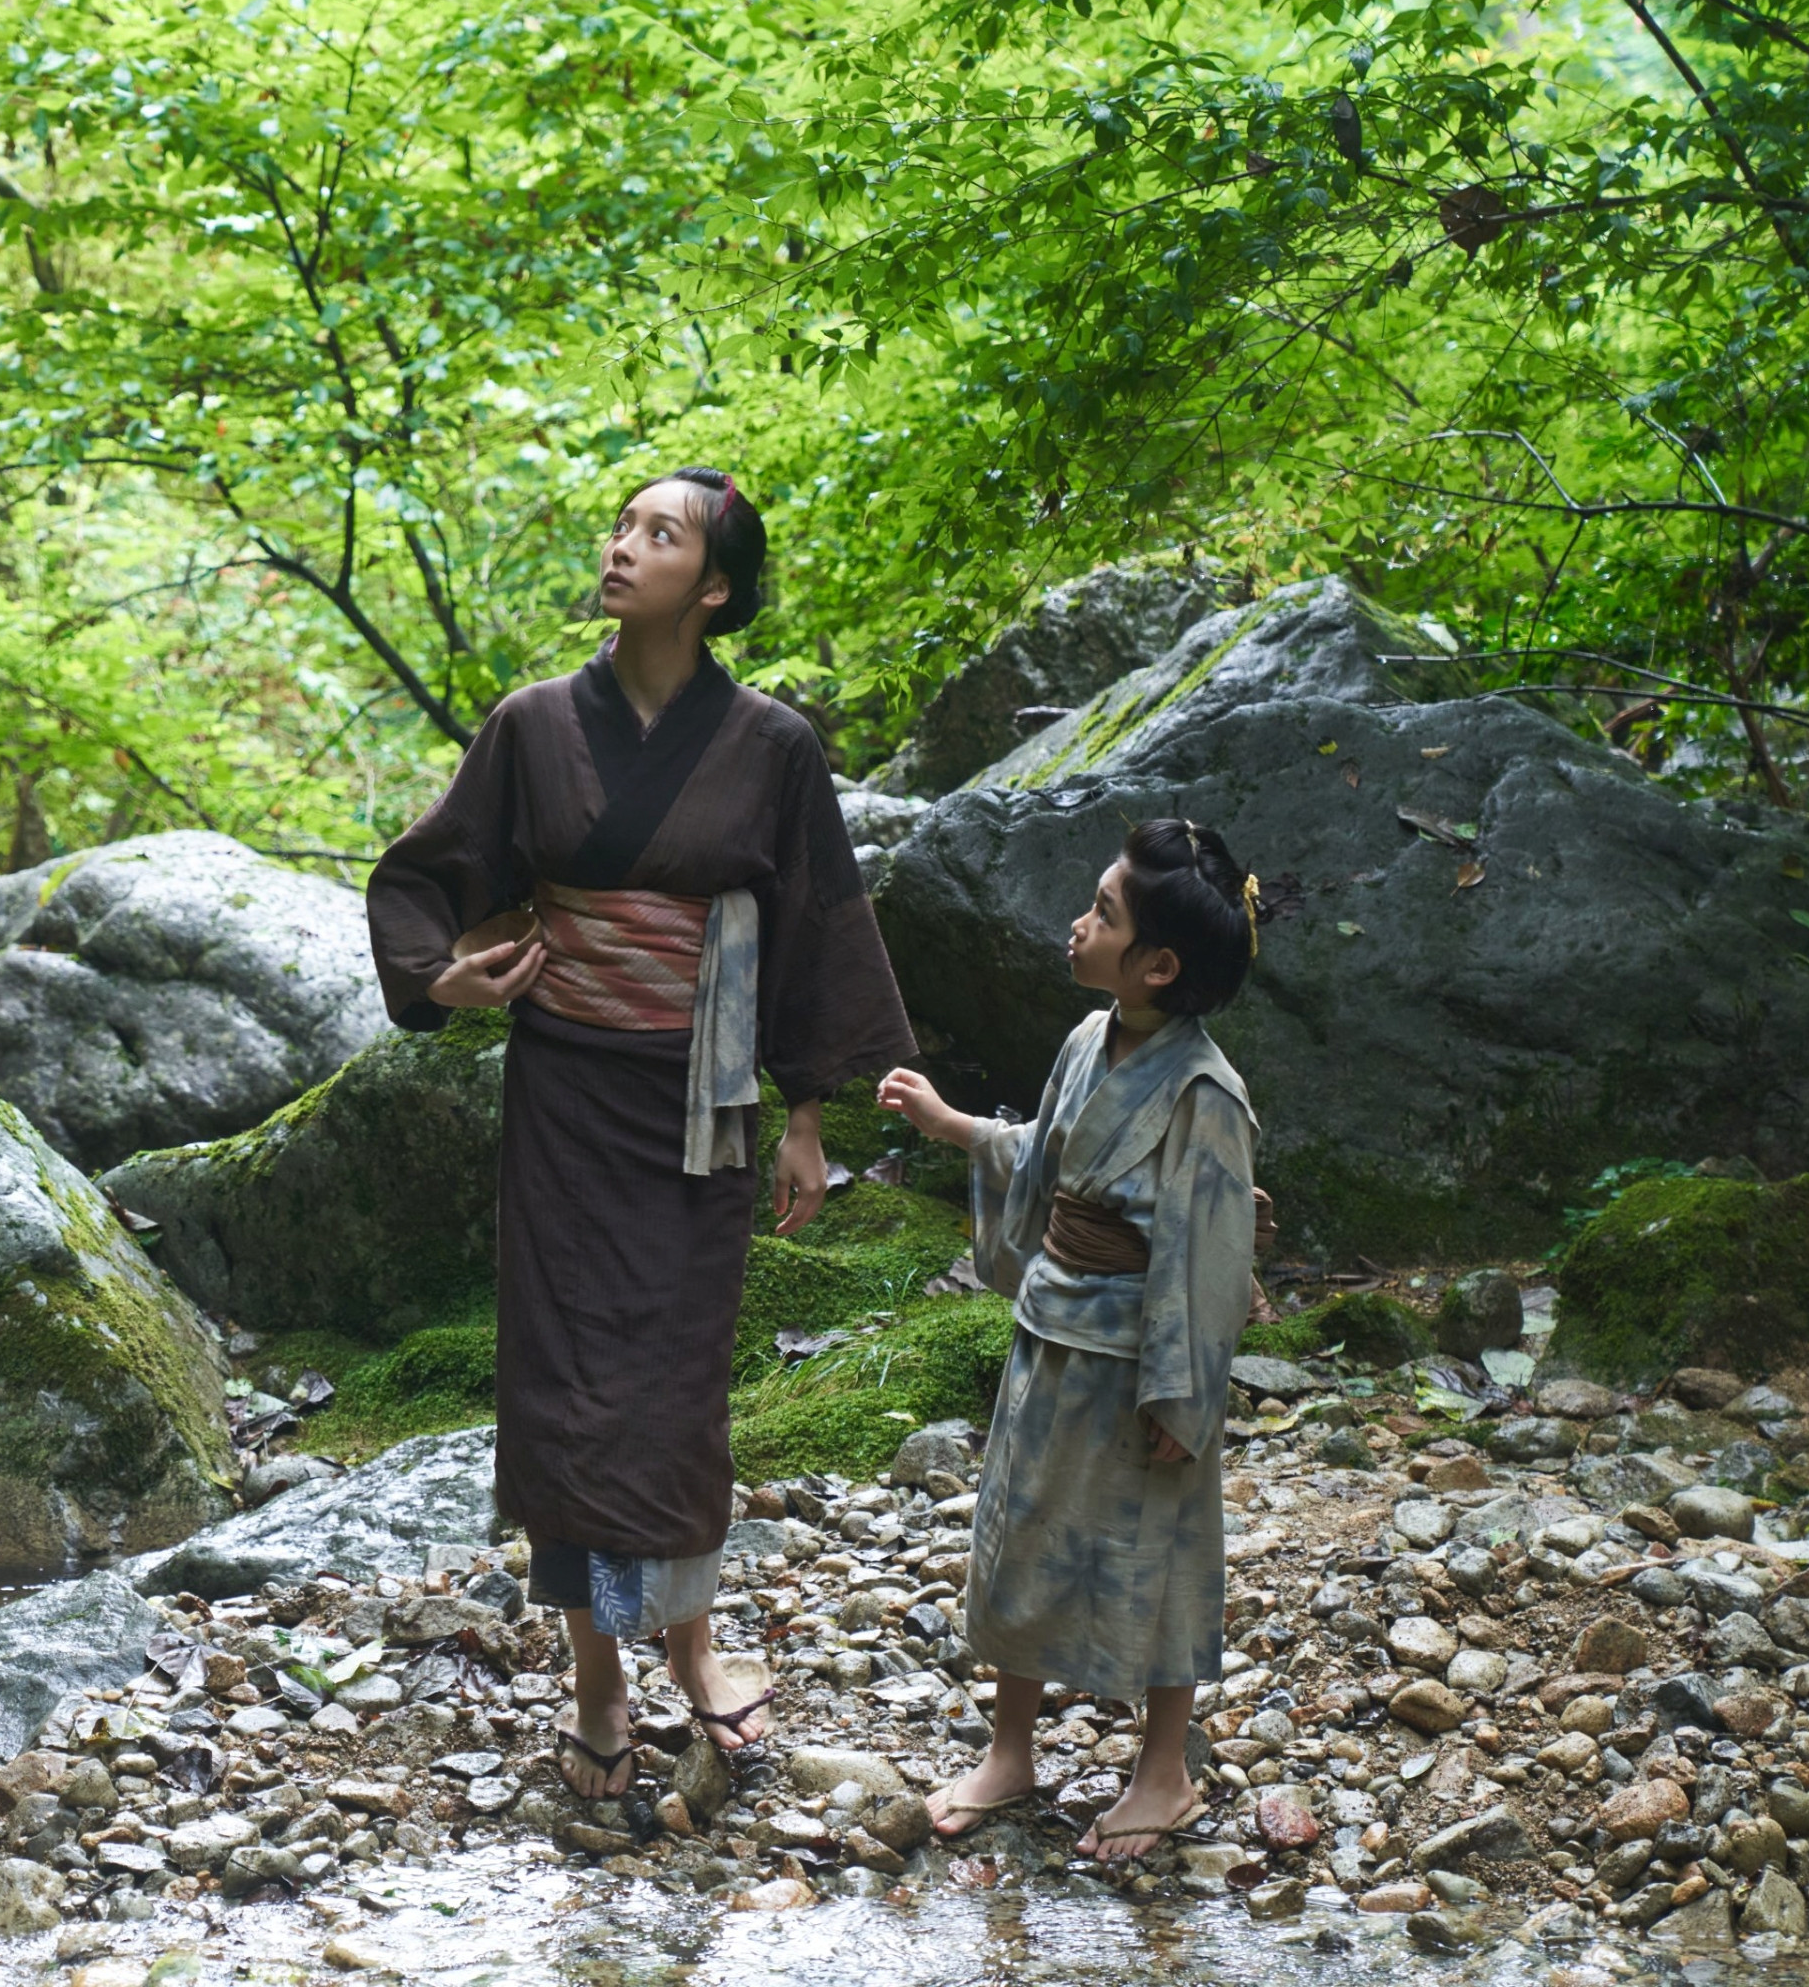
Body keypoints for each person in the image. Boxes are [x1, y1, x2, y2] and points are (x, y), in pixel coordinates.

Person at [368, 467, 916, 1801]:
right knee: (562, 1388)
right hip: (564, 1095)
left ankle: (695, 1649)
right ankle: (596, 1684)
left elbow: (814, 928)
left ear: (713, 588)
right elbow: (429, 874)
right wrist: (447, 979)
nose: (622, 547)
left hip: (699, 1103)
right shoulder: (533, 726)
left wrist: (804, 1114)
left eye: (658, 535)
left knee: (675, 1391)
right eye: (622, 527)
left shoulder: (773, 748)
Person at [875, 816, 1264, 1861]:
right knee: (1023, 1532)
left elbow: (1209, 1255)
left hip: (1140, 1360)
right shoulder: (1089, 1040)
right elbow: (1045, 1158)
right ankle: (1011, 1751)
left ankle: (1164, 1772)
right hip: (1053, 1332)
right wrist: (953, 1124)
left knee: (1161, 1551)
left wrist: (1184, 1395)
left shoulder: (1205, 1095)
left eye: (1102, 913)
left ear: (1159, 965)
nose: (1079, 924)